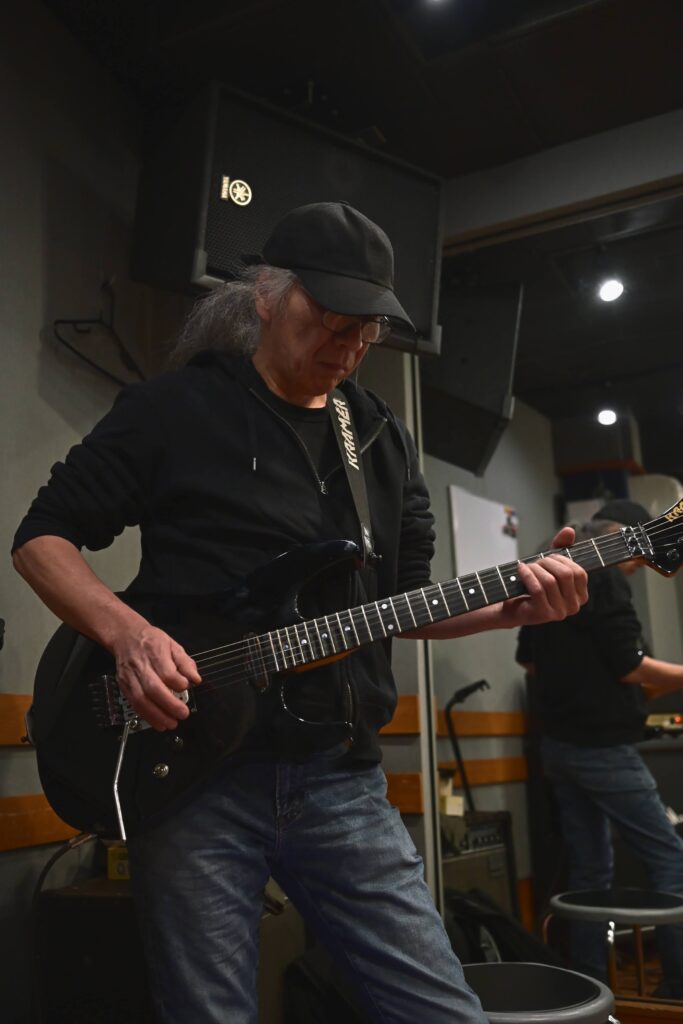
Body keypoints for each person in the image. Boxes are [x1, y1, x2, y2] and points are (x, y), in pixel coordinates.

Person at [13, 201, 588, 1024]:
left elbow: (399, 605)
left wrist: (508, 611)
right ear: (264, 295)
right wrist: (127, 634)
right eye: (330, 321)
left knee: (439, 1010)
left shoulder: (380, 440)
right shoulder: (174, 408)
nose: (347, 348)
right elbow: (41, 539)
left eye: (367, 332)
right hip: (193, 773)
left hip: (337, 777)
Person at [517, 499, 683, 996]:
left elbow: (529, 662)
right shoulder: (605, 573)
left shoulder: (552, 567)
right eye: (640, 551)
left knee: (590, 869)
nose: (641, 564)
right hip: (601, 748)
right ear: (623, 535)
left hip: (557, 747)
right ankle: (677, 989)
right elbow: (629, 665)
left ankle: (590, 990)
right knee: (672, 859)